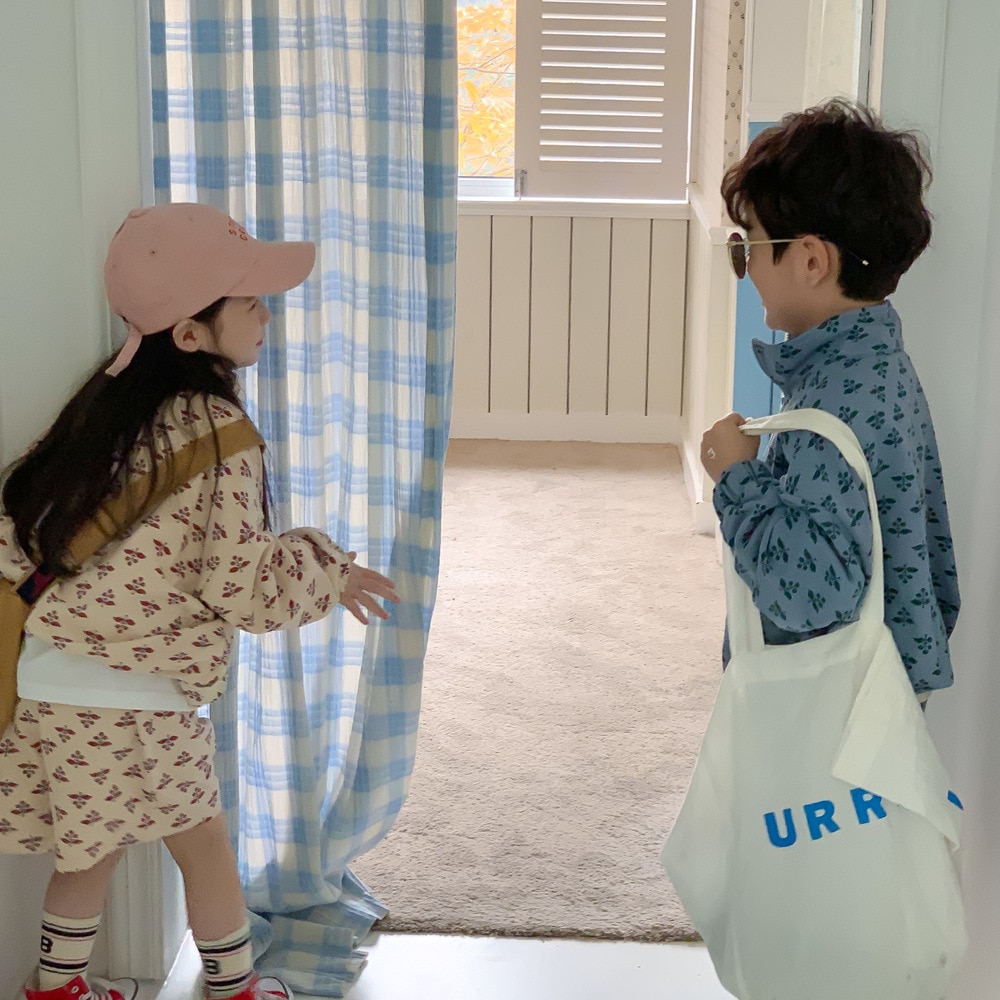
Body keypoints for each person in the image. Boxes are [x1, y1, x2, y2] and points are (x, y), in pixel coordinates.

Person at [0, 203, 400, 1000]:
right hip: (141, 698)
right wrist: (327, 569)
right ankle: (235, 988)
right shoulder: (218, 432)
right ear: (189, 333)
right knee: (206, 847)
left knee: (90, 852)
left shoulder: (99, 414)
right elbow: (238, 585)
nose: (265, 316)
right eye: (249, 302)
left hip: (49, 685)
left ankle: (56, 988)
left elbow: (17, 537)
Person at [700, 98, 960, 701]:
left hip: (822, 707)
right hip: (871, 693)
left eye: (749, 247)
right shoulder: (874, 361)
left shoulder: (838, 399)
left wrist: (736, 476)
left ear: (812, 260)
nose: (747, 268)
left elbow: (808, 591)